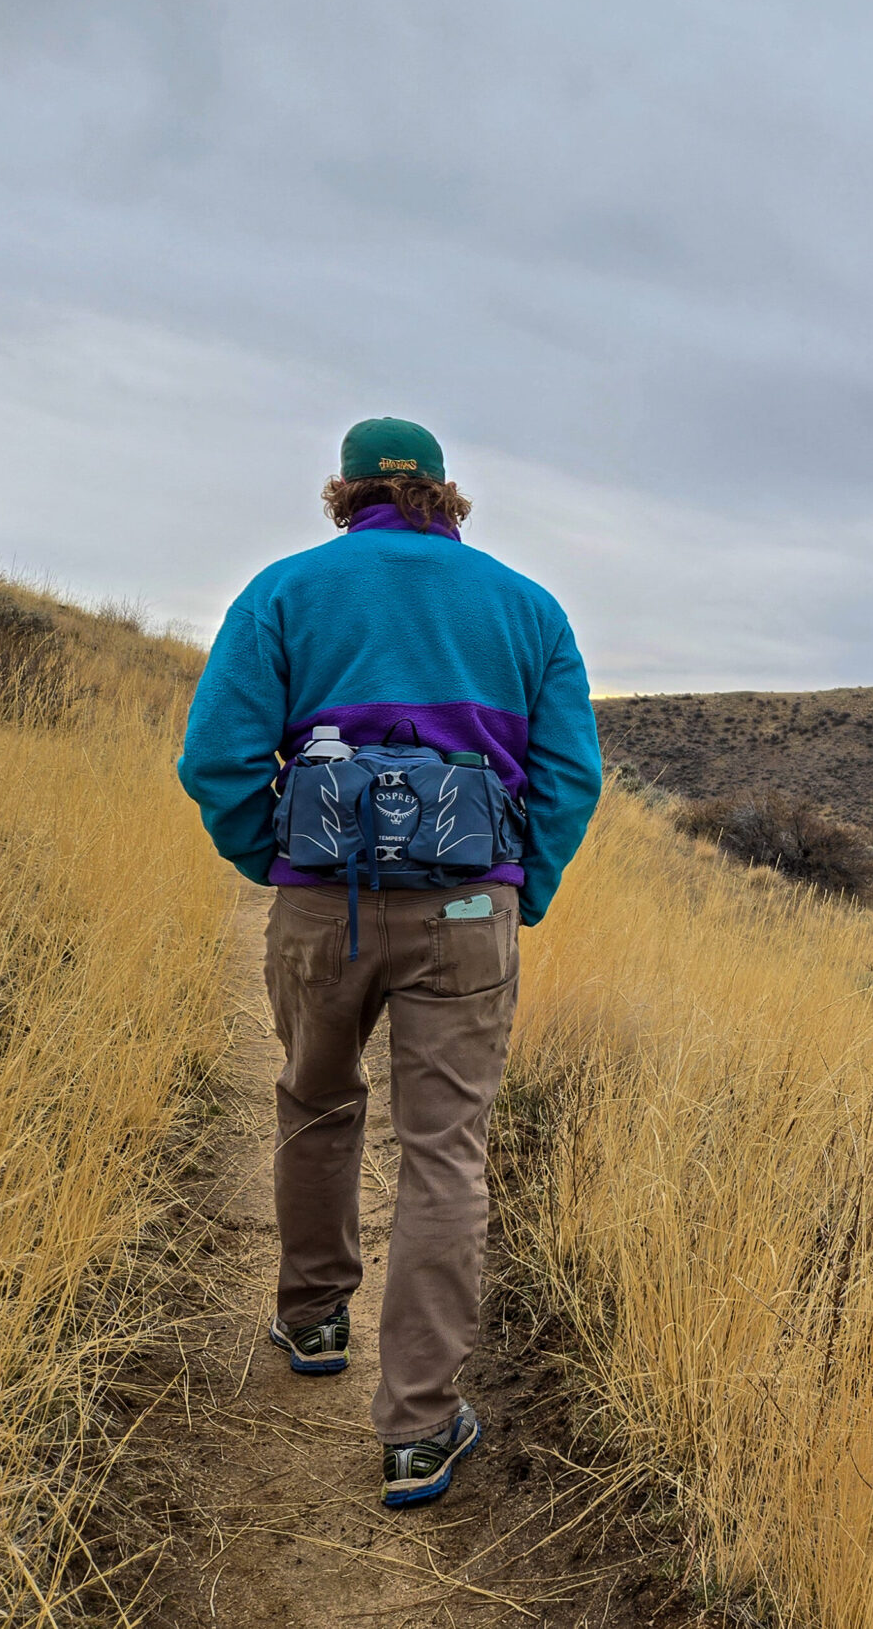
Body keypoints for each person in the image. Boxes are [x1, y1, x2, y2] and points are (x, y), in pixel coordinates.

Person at [178, 418, 601, 1507]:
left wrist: (272, 859)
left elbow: (216, 754)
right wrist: (521, 890)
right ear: (446, 497)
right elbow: (567, 780)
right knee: (445, 1155)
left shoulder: (284, 591)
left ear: (345, 494)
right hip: (469, 912)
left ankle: (314, 1317)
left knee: (315, 1104)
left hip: (323, 906)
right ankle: (417, 1429)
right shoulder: (527, 607)